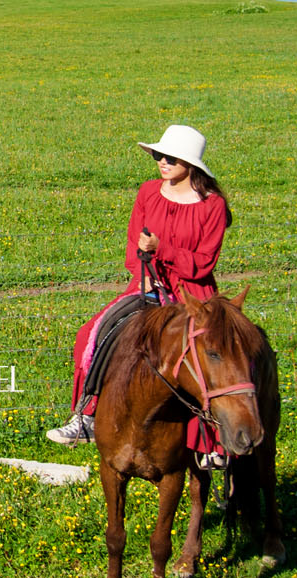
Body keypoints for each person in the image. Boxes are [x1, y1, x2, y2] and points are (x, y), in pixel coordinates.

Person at [45, 124, 233, 445]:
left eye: (171, 158)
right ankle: (86, 414)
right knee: (90, 334)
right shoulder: (147, 192)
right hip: (147, 284)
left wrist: (163, 249)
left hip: (193, 294)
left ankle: (213, 441)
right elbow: (134, 245)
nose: (162, 162)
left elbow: (204, 263)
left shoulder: (212, 205)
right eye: (159, 155)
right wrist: (144, 276)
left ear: (190, 165)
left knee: (213, 360)